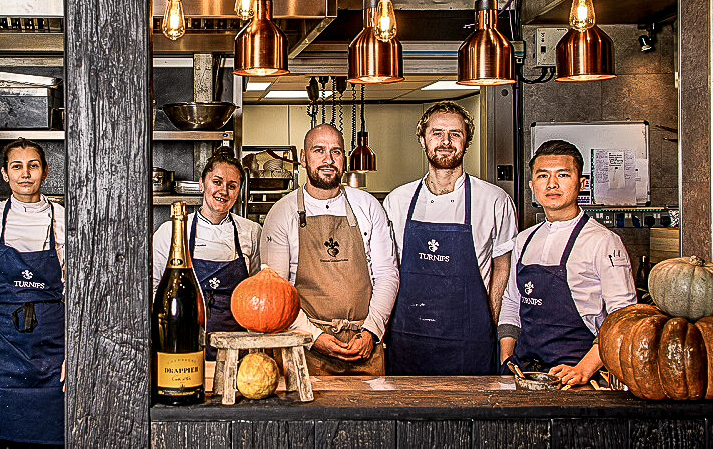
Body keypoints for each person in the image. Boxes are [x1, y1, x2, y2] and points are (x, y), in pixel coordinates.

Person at [383, 101, 518, 375]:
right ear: (422, 140)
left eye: (455, 134)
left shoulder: (494, 201)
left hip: (470, 342)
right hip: (408, 340)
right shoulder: (397, 201)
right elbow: (386, 270)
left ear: (467, 139)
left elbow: (503, 267)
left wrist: (488, 323)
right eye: (437, 133)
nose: (446, 141)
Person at [260, 124, 399, 376]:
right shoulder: (282, 213)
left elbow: (387, 274)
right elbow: (276, 291)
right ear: (303, 158)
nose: (328, 159)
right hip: (304, 349)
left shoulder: (367, 206)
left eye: (336, 151)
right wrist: (313, 337)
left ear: (344, 159)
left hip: (364, 347)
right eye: (318, 150)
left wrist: (371, 331)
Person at [498, 140, 636, 387]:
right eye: (543, 176)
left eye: (563, 174)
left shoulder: (604, 241)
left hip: (579, 377)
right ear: (532, 186)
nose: (552, 184)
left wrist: (584, 369)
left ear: (581, 183)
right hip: (525, 374)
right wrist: (507, 356)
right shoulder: (524, 240)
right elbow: (511, 302)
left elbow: (623, 318)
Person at [0, 138, 66, 447]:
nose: (25, 174)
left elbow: (81, 282)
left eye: (33, 166)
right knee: (2, 437)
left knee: (53, 436)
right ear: (4, 173)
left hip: (52, 342)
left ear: (45, 171)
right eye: (17, 166)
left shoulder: (63, 217)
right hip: (4, 344)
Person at [151, 146, 262, 359]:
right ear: (202, 183)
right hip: (184, 345)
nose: (224, 191)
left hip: (237, 349)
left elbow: (256, 292)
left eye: (232, 185)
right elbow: (153, 290)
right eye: (217, 182)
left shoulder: (251, 232)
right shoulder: (171, 231)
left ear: (239, 191)